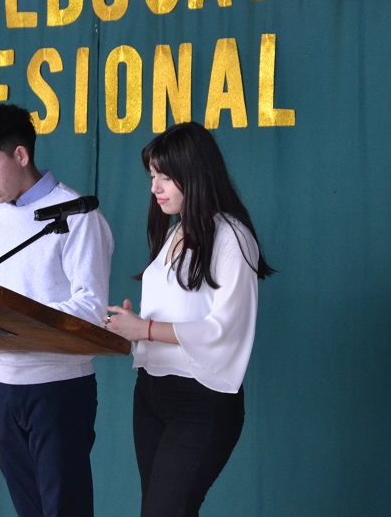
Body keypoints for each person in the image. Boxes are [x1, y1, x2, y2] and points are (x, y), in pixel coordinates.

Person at [104, 122, 274, 517]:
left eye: (165, 177)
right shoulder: (175, 232)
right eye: (152, 177)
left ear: (194, 174)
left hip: (201, 400)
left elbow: (222, 328)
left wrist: (143, 329)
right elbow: (175, 315)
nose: (155, 188)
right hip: (150, 393)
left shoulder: (232, 236)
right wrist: (128, 324)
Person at [0, 102, 114, 517]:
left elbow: (91, 304)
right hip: (2, 385)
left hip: (58, 388)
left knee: (65, 509)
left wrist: (19, 322)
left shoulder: (78, 213)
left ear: (21, 155)